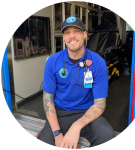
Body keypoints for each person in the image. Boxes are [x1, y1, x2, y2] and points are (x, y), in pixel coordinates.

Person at [37, 16, 114, 148]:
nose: (71, 36)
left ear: (85, 35)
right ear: (63, 37)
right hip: (60, 112)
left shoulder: (98, 62)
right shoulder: (53, 61)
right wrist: (57, 134)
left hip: (87, 112)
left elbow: (100, 104)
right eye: (67, 32)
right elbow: (47, 100)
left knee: (107, 135)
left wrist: (76, 126)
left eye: (76, 31)